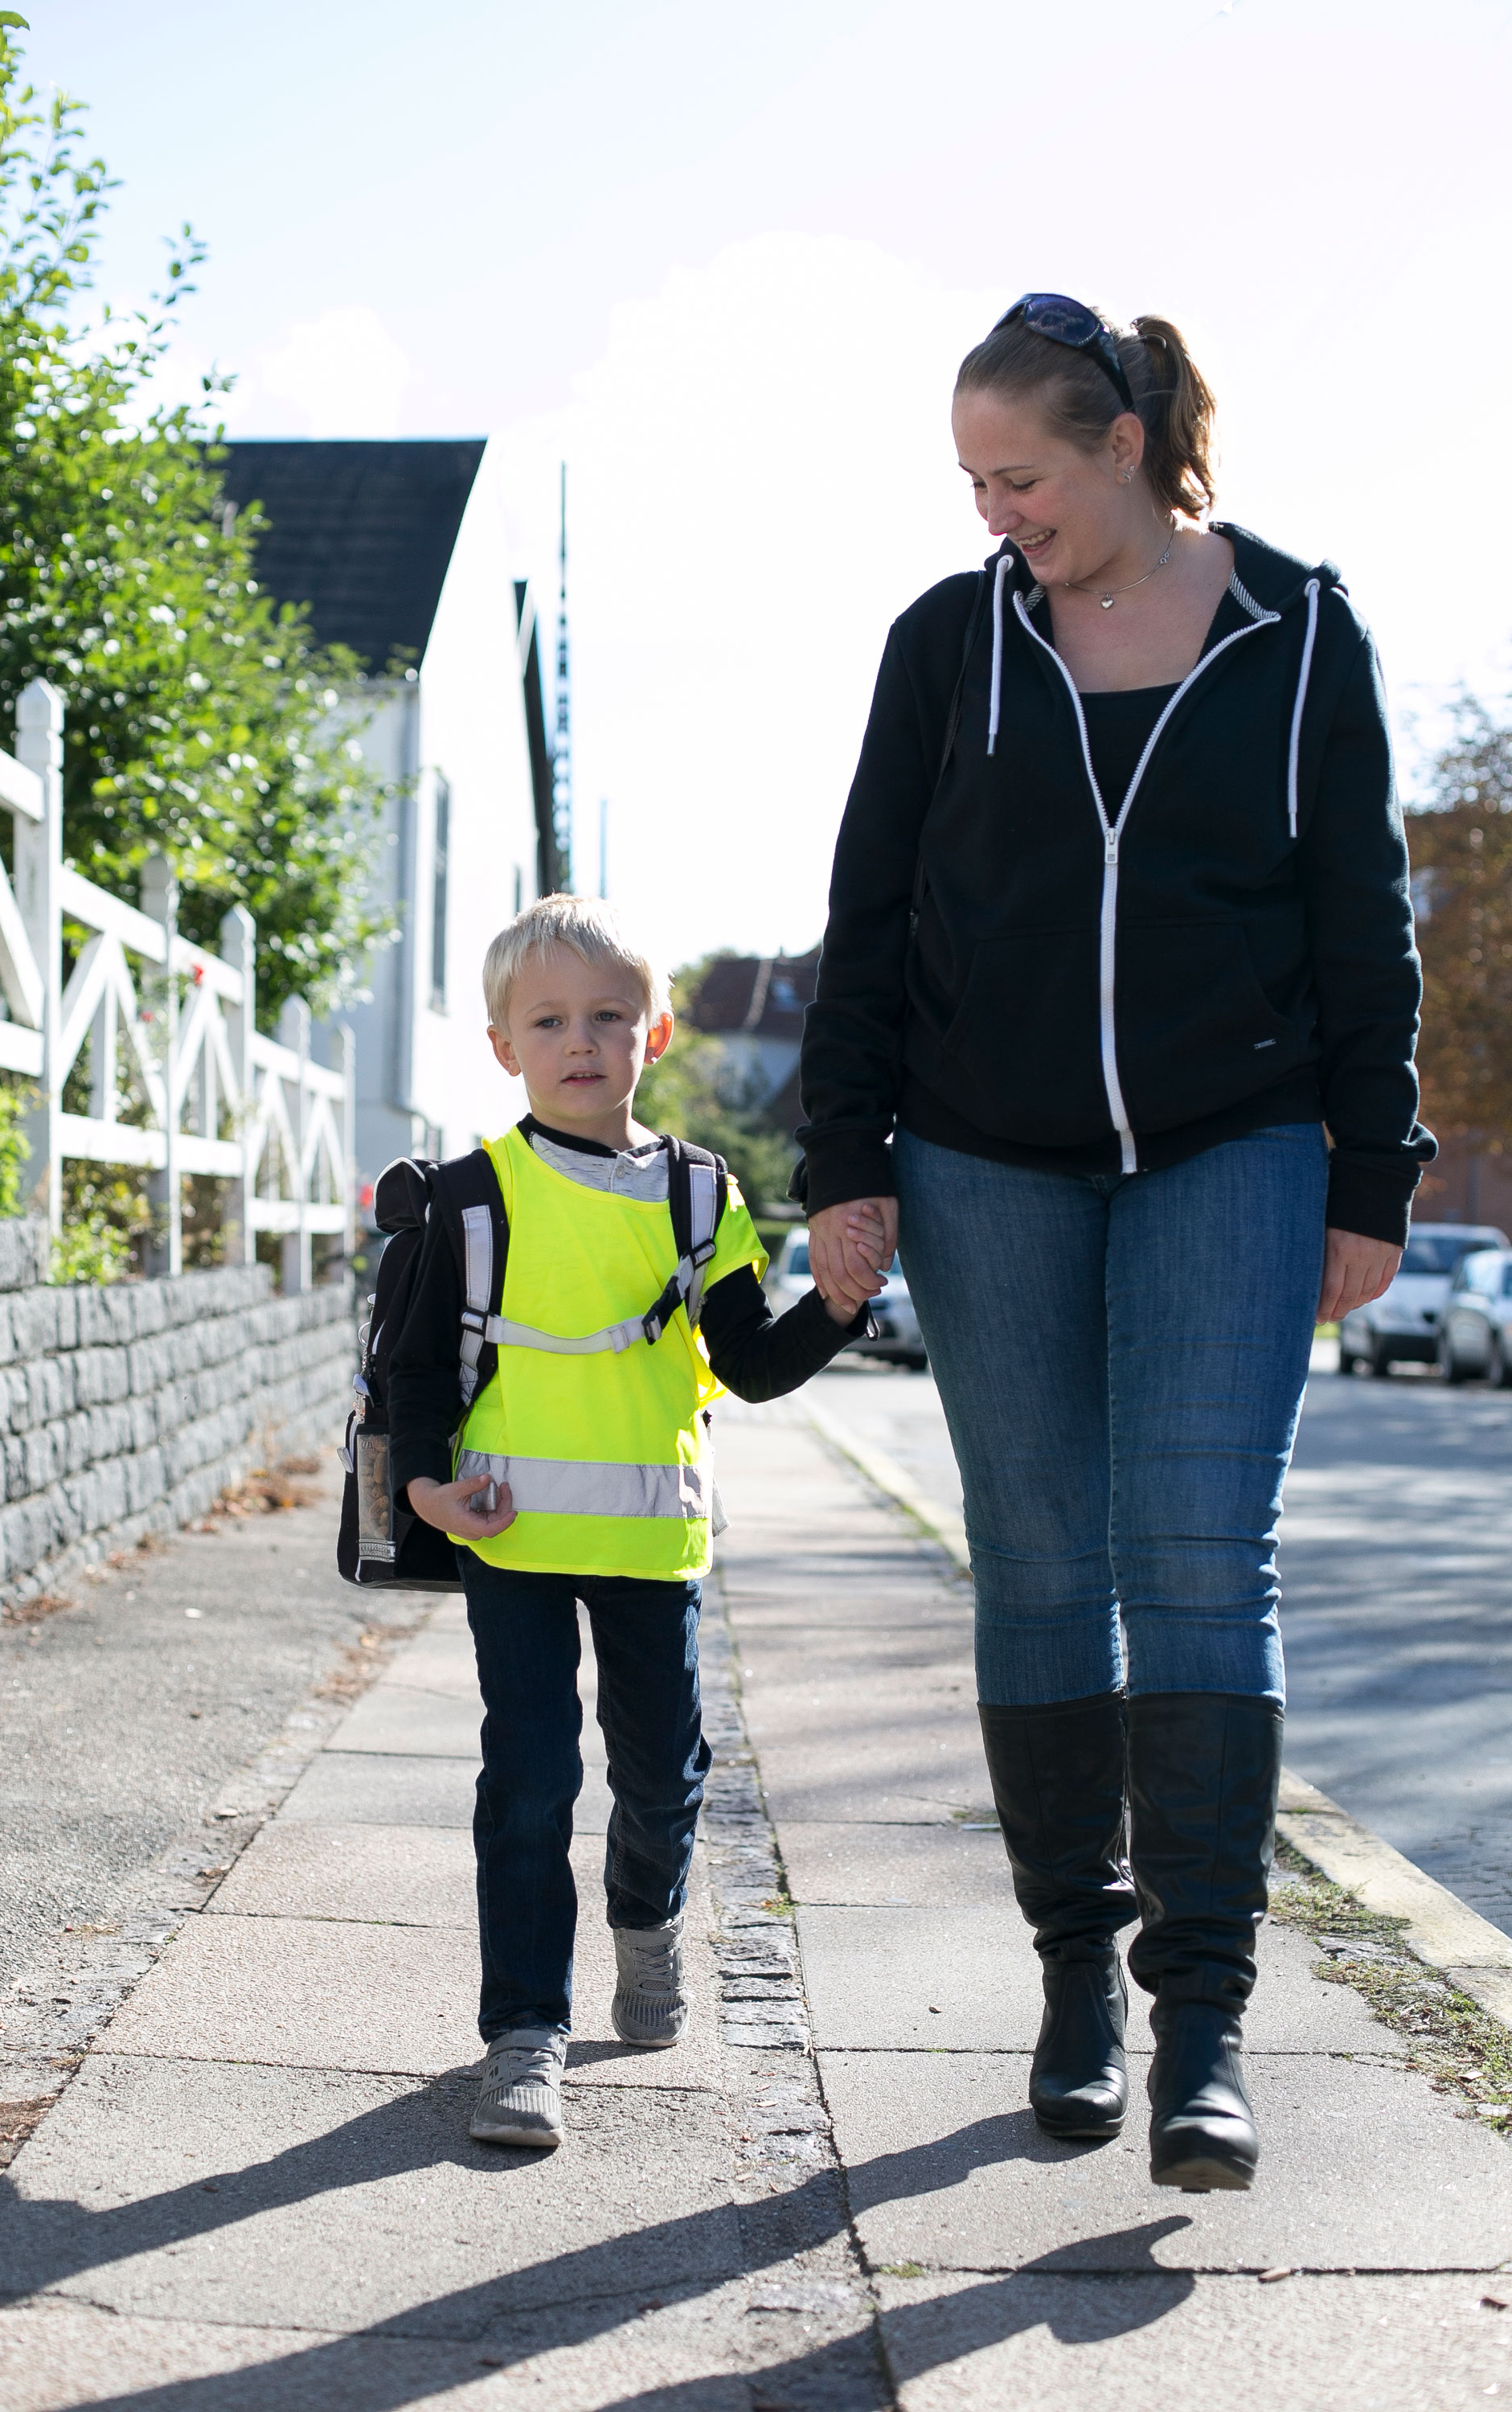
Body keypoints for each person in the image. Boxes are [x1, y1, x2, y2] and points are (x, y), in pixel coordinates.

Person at [797, 294, 1432, 2193]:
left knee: (1198, 1561)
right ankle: (1075, 1986)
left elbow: (1361, 923)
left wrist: (1369, 1179)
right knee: (1042, 1565)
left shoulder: (1297, 635)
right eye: (972, 482)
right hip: (984, 1155)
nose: (997, 514)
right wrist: (846, 1158)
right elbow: (868, 909)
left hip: (1231, 1152)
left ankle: (1207, 2029)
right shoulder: (948, 642)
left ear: (1126, 449)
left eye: (1024, 478)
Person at [386, 895, 871, 2151]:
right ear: (505, 1047)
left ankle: (647, 1921)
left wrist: (838, 1304)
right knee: (532, 1781)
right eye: (548, 1020)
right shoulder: (469, 1197)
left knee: (662, 1776)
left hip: (655, 1542)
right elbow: (419, 1373)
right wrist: (428, 1488)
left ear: (654, 1033)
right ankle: (525, 2037)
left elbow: (751, 1365)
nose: (580, 1040)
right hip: (513, 1542)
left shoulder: (702, 1199)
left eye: (607, 1016)